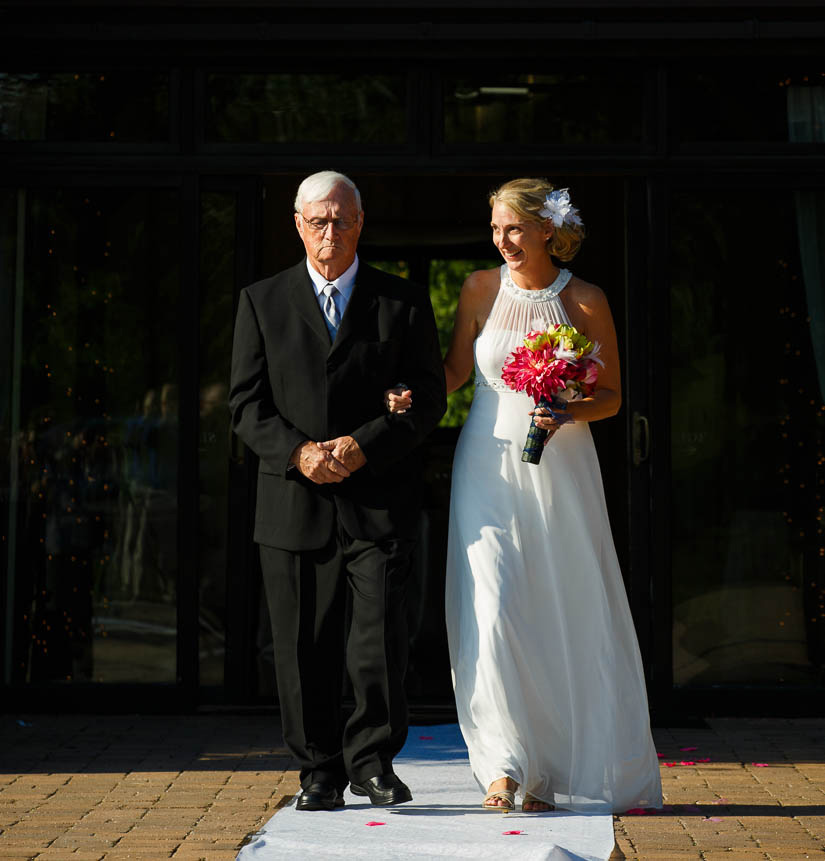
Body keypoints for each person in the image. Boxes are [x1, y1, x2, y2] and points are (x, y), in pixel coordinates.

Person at [387, 178, 662, 813]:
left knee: (552, 605)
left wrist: (567, 411)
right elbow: (456, 369)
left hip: (559, 467)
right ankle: (503, 764)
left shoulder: (586, 298)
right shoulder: (479, 288)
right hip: (485, 461)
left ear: (546, 230)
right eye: (494, 230)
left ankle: (545, 768)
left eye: (513, 228)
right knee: (493, 599)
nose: (502, 241)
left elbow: (613, 397)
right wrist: (412, 391)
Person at [229, 171, 446, 812]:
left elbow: (427, 397)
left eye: (342, 220)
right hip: (293, 502)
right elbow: (246, 405)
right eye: (318, 220)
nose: (331, 231)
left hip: (378, 501)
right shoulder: (261, 301)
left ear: (361, 223)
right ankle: (317, 770)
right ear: (298, 224)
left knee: (378, 641)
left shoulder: (402, 302)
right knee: (301, 647)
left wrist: (363, 443)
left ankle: (372, 763)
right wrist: (300, 452)